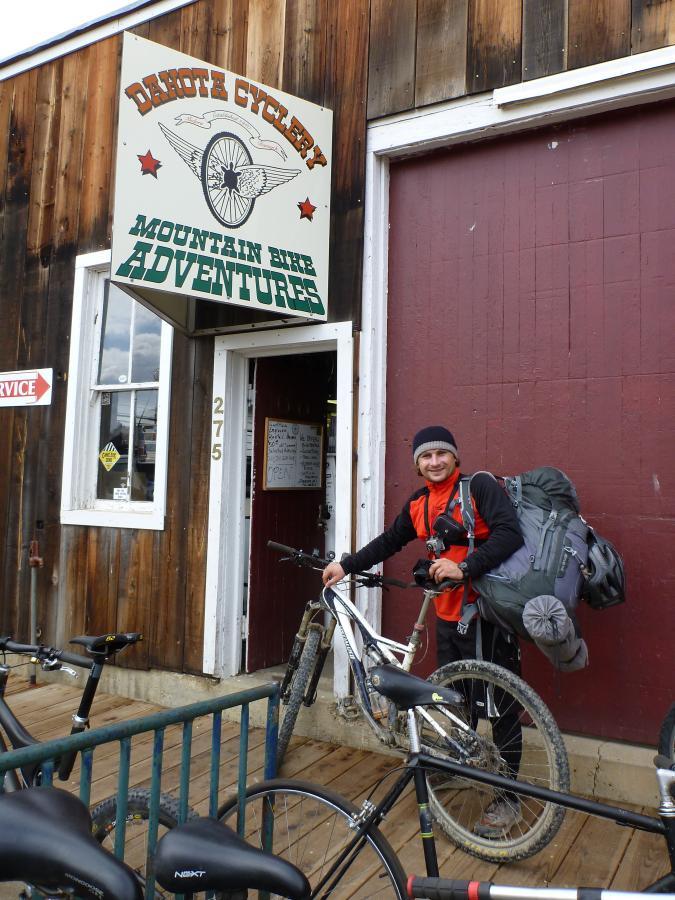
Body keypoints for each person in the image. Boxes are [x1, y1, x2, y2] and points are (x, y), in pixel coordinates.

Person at [322, 425, 526, 836]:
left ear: (455, 457)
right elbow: (390, 541)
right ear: (417, 464)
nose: (434, 462)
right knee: (459, 698)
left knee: (500, 706)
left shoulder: (479, 488)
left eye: (441, 454)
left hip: (486, 614)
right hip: (449, 616)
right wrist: (347, 565)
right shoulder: (419, 503)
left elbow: (510, 535)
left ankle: (509, 798)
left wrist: (464, 567)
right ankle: (466, 764)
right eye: (426, 456)